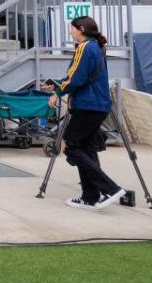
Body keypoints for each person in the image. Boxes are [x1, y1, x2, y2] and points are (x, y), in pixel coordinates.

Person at [41, 16, 125, 211]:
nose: (70, 32)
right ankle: (90, 196)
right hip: (97, 105)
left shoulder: (84, 47)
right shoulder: (96, 47)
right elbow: (80, 76)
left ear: (80, 29)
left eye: (71, 29)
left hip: (88, 106)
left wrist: (58, 90)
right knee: (87, 149)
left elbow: (76, 79)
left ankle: (110, 189)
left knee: (69, 146)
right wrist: (57, 85)